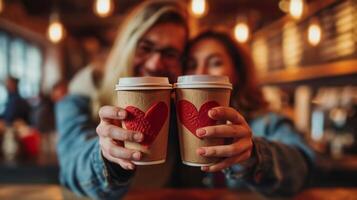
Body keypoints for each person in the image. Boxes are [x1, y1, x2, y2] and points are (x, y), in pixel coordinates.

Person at [56, 1, 188, 199]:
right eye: (145, 48)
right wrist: (107, 157)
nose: (154, 64)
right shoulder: (84, 91)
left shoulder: (179, 105)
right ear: (126, 46)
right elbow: (71, 166)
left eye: (170, 54)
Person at [182, 30, 315, 195]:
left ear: (238, 72)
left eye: (215, 63)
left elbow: (302, 166)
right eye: (191, 64)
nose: (200, 72)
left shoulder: (268, 123)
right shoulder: (177, 128)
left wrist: (254, 155)